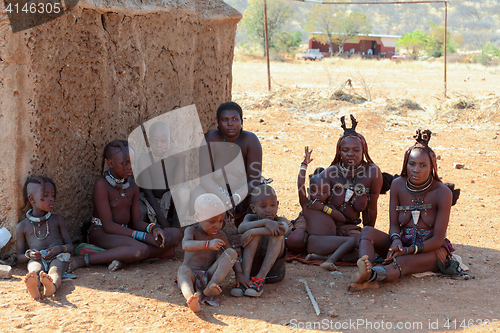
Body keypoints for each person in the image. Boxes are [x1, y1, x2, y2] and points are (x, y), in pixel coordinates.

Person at [348, 129, 454, 291]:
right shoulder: (397, 184)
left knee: (402, 262)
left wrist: (408, 250)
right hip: (401, 245)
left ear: (432, 167)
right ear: (406, 164)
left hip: (430, 251)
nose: (416, 169)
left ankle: (371, 276)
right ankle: (366, 267)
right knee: (367, 231)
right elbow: (394, 224)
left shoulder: (443, 193)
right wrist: (396, 240)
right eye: (412, 164)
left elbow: (438, 239)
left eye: (423, 165)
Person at [70, 140, 182, 271]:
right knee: (141, 248)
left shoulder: (132, 185)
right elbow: (109, 226)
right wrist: (143, 236)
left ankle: (126, 257)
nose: (130, 167)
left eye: (132, 163)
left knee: (174, 234)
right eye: (125, 163)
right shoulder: (102, 185)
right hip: (102, 233)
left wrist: (154, 229)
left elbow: (137, 222)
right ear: (110, 164)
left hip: (127, 233)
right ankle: (84, 260)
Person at [286, 115, 383, 254]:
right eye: (345, 150)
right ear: (339, 152)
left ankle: (323, 250)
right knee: (296, 240)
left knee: (361, 245)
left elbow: (371, 209)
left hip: (348, 225)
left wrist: (368, 235)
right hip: (322, 222)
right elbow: (315, 203)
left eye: (356, 150)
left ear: (363, 151)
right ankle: (324, 246)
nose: (351, 154)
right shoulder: (330, 172)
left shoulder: (373, 172)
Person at [190, 102, 262, 227]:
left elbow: (254, 180)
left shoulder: (250, 140)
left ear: (241, 121)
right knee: (197, 196)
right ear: (218, 123)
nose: (230, 124)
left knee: (262, 196)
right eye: (225, 120)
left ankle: (251, 229)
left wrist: (235, 199)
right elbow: (205, 178)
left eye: (235, 119)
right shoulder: (211, 139)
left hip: (242, 193)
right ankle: (205, 232)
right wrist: (224, 199)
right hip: (215, 192)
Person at [177, 194, 240, 312]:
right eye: (212, 221)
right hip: (191, 276)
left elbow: (231, 256)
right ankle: (191, 297)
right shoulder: (192, 231)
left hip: (209, 275)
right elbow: (185, 245)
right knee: (182, 270)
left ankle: (211, 286)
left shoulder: (221, 235)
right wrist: (207, 244)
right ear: (197, 218)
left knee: (231, 252)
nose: (217, 225)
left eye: (221, 221)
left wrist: (239, 273)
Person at [297, 147, 357, 271]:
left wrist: (324, 208)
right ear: (308, 191)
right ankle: (330, 261)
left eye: (323, 191)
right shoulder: (308, 205)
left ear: (329, 193)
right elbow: (300, 185)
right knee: (351, 242)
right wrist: (304, 165)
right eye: (314, 190)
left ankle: (321, 257)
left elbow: (341, 218)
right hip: (316, 242)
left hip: (328, 243)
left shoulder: (327, 207)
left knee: (357, 253)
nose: (318, 194)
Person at [16, 176, 74, 299]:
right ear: (31, 198)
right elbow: (19, 257)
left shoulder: (57, 220)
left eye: (52, 195)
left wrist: (59, 249)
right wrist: (29, 255)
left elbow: (70, 246)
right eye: (46, 195)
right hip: (37, 258)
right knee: (34, 270)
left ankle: (51, 287)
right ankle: (34, 287)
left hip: (58, 256)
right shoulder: (22, 226)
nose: (51, 199)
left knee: (55, 270)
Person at [232, 184, 289, 297]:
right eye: (263, 206)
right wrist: (264, 223)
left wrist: (252, 232)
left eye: (272, 205)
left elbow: (284, 230)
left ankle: (259, 279)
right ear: (253, 208)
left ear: (277, 205)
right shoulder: (249, 217)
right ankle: (246, 279)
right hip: (252, 269)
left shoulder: (281, 220)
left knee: (276, 234)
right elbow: (240, 228)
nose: (269, 209)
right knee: (256, 231)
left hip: (274, 273)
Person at [135, 122, 190, 228]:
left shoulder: (175, 157)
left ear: (170, 140)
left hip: (168, 200)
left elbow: (180, 184)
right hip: (149, 201)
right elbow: (147, 192)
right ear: (149, 141)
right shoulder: (145, 159)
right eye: (154, 141)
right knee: (139, 210)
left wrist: (182, 158)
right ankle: (152, 229)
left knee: (184, 191)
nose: (158, 145)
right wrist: (161, 219)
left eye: (163, 141)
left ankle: (175, 228)